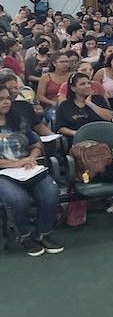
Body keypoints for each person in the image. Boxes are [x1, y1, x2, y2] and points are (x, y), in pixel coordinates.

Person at [0, 86, 63, 256]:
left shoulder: (17, 120)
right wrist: (15, 163)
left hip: (27, 168)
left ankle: (43, 233)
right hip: (3, 173)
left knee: (51, 192)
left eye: (7, 98)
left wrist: (31, 157)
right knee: (18, 199)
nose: (6, 102)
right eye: (1, 99)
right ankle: (25, 236)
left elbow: (36, 144)